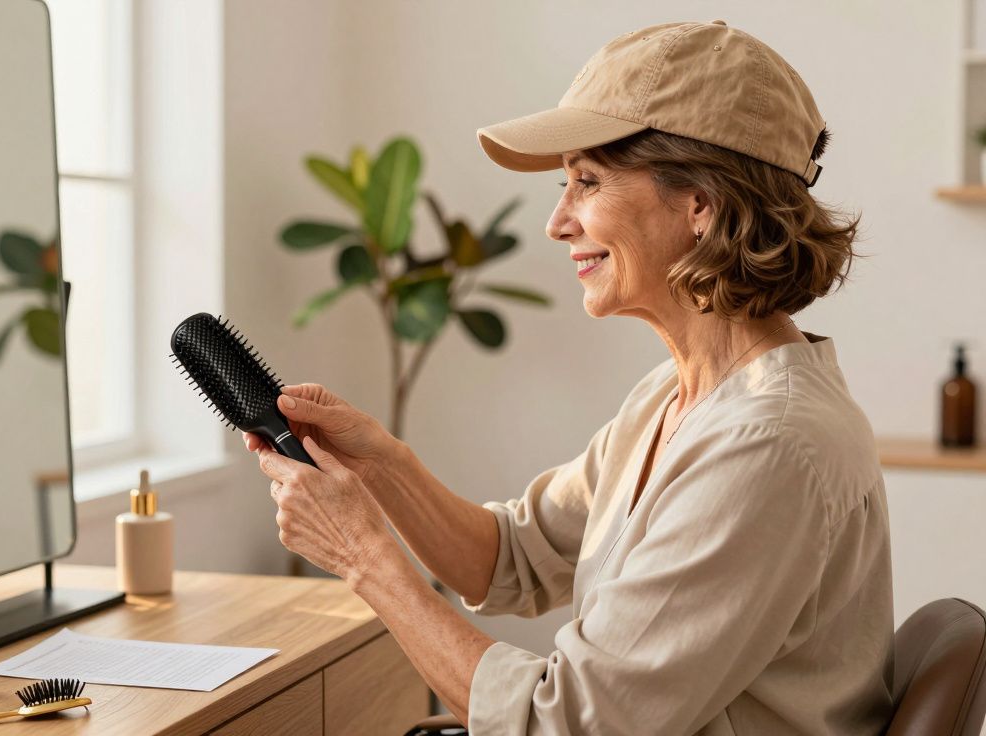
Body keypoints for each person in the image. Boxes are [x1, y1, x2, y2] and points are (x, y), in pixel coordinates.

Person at [246, 20, 892, 735]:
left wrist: (363, 556)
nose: (557, 223)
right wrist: (380, 465)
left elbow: (568, 725)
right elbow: (512, 558)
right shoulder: (676, 397)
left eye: (586, 182)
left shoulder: (765, 447)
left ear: (700, 206)